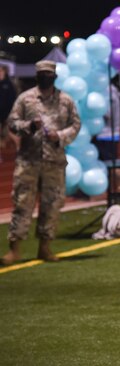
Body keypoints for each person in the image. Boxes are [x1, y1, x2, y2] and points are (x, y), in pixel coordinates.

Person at [1, 60, 81, 265]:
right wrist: (29, 126)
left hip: (54, 162)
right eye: (42, 75)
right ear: (37, 77)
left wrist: (60, 136)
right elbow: (12, 122)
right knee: (22, 203)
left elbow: (75, 125)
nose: (46, 78)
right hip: (28, 161)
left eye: (49, 75)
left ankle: (45, 248)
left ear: (54, 77)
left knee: (52, 204)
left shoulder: (66, 100)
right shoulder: (25, 99)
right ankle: (15, 249)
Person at [0, 65, 17, 161]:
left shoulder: (9, 84)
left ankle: (20, 152)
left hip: (8, 115)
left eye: (1, 71)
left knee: (12, 135)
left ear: (4, 72)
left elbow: (13, 100)